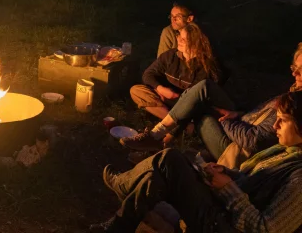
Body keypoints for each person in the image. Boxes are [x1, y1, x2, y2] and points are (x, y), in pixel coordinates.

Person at [89, 91, 302, 233]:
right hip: (224, 208)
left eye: (283, 121)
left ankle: (124, 186)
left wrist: (228, 188)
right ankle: (117, 224)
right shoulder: (288, 151)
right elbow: (254, 181)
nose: (275, 127)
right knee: (168, 166)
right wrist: (227, 173)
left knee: (170, 160)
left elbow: (265, 228)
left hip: (225, 225)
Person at [122, 43, 302, 159]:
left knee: (201, 93)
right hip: (238, 122)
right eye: (294, 67)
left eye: (301, 70)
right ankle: (159, 141)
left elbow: (253, 141)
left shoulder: (296, 105)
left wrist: (229, 120)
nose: (294, 73)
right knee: (195, 95)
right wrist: (237, 114)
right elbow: (149, 74)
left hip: (236, 151)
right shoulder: (294, 92)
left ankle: (157, 138)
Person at [130, 22, 220, 120]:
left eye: (184, 39)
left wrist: (173, 97)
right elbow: (148, 74)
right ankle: (176, 122)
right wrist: (160, 89)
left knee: (200, 110)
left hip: (186, 104)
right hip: (164, 96)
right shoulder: (171, 56)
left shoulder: (205, 67)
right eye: (179, 36)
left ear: (196, 43)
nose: (179, 40)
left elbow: (196, 97)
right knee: (136, 90)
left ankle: (173, 122)